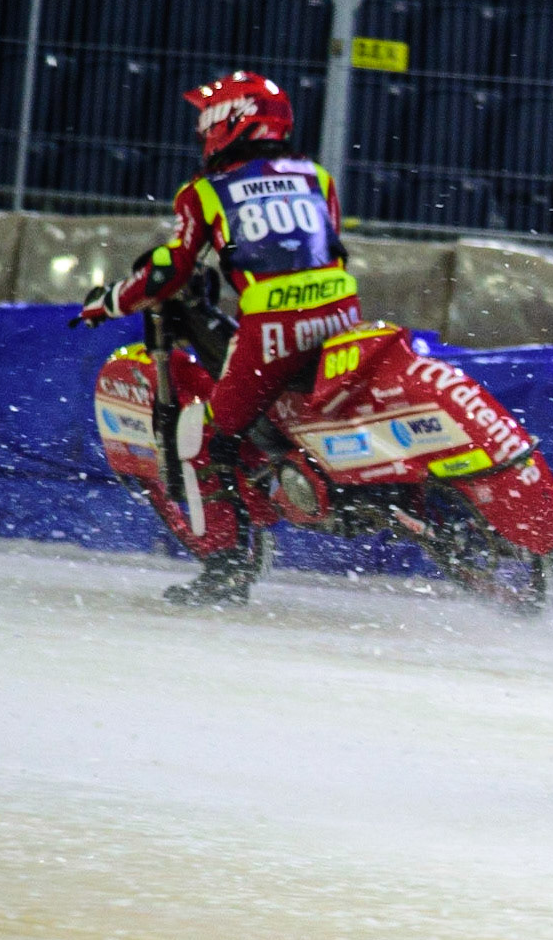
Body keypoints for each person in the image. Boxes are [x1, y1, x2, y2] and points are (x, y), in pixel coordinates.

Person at [75, 72, 361, 606]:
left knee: (202, 441)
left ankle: (228, 570)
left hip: (274, 334)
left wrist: (110, 301)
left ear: (228, 122)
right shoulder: (316, 176)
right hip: (343, 318)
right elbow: (328, 250)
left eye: (206, 120)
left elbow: (168, 273)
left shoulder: (204, 192)